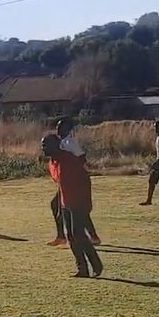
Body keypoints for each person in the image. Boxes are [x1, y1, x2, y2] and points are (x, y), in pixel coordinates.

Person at [42, 133, 103, 278]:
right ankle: (82, 269)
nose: (42, 148)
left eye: (45, 145)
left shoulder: (70, 160)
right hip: (66, 203)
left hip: (78, 202)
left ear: (55, 145)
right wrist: (59, 204)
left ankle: (96, 265)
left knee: (78, 234)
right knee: (70, 236)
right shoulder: (53, 163)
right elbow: (60, 183)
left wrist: (85, 203)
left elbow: (84, 181)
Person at [46, 117, 101, 246]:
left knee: (75, 209)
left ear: (68, 129)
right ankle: (63, 236)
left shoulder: (70, 142)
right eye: (57, 127)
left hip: (74, 181)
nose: (58, 129)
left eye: (61, 127)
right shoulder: (62, 142)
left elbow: (81, 159)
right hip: (65, 181)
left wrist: (77, 174)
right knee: (58, 206)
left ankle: (91, 236)